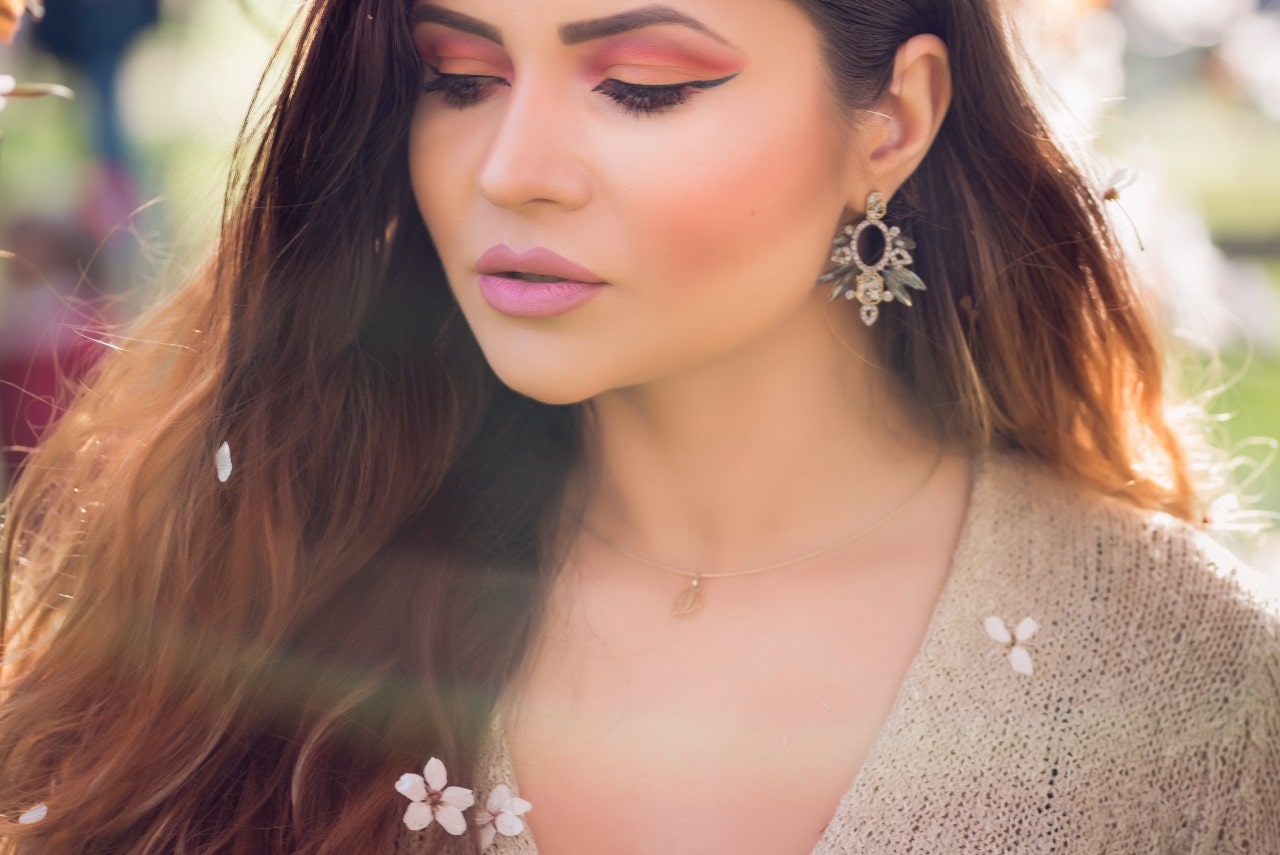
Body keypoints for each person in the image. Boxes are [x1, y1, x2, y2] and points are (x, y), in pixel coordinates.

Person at [1, 0, 1277, 852]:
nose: (512, 167)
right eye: (457, 78)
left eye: (645, 87)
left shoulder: (1186, 686)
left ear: (890, 118)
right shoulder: (271, 555)